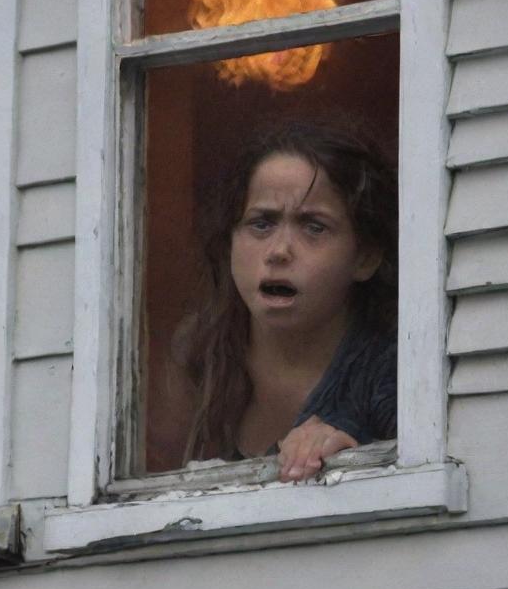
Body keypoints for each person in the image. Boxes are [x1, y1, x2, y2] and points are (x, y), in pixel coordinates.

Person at [161, 123, 397, 483]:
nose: (279, 251)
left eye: (314, 227)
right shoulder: (200, 351)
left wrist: (352, 456)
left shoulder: (390, 366)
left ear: (365, 256)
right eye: (261, 223)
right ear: (229, 243)